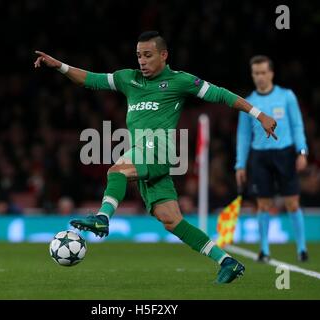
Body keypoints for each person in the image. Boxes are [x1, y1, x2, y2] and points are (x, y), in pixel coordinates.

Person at [34, 31, 277, 283]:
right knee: (170, 219)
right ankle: (227, 262)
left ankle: (103, 218)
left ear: (163, 55)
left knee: (116, 171)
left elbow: (222, 95)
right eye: (139, 55)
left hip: (159, 149)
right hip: (143, 152)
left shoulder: (180, 81)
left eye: (148, 55)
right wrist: (59, 66)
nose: (142, 61)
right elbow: (90, 80)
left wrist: (259, 114)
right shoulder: (128, 79)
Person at [235, 55, 308, 262]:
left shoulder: (286, 96)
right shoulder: (248, 103)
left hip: (285, 153)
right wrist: (240, 164)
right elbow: (242, 135)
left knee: (292, 203)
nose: (259, 77)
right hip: (260, 156)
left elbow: (297, 126)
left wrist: (302, 151)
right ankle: (264, 250)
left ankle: (302, 248)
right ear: (252, 75)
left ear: (271, 73)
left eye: (263, 72)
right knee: (263, 204)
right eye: (256, 73)